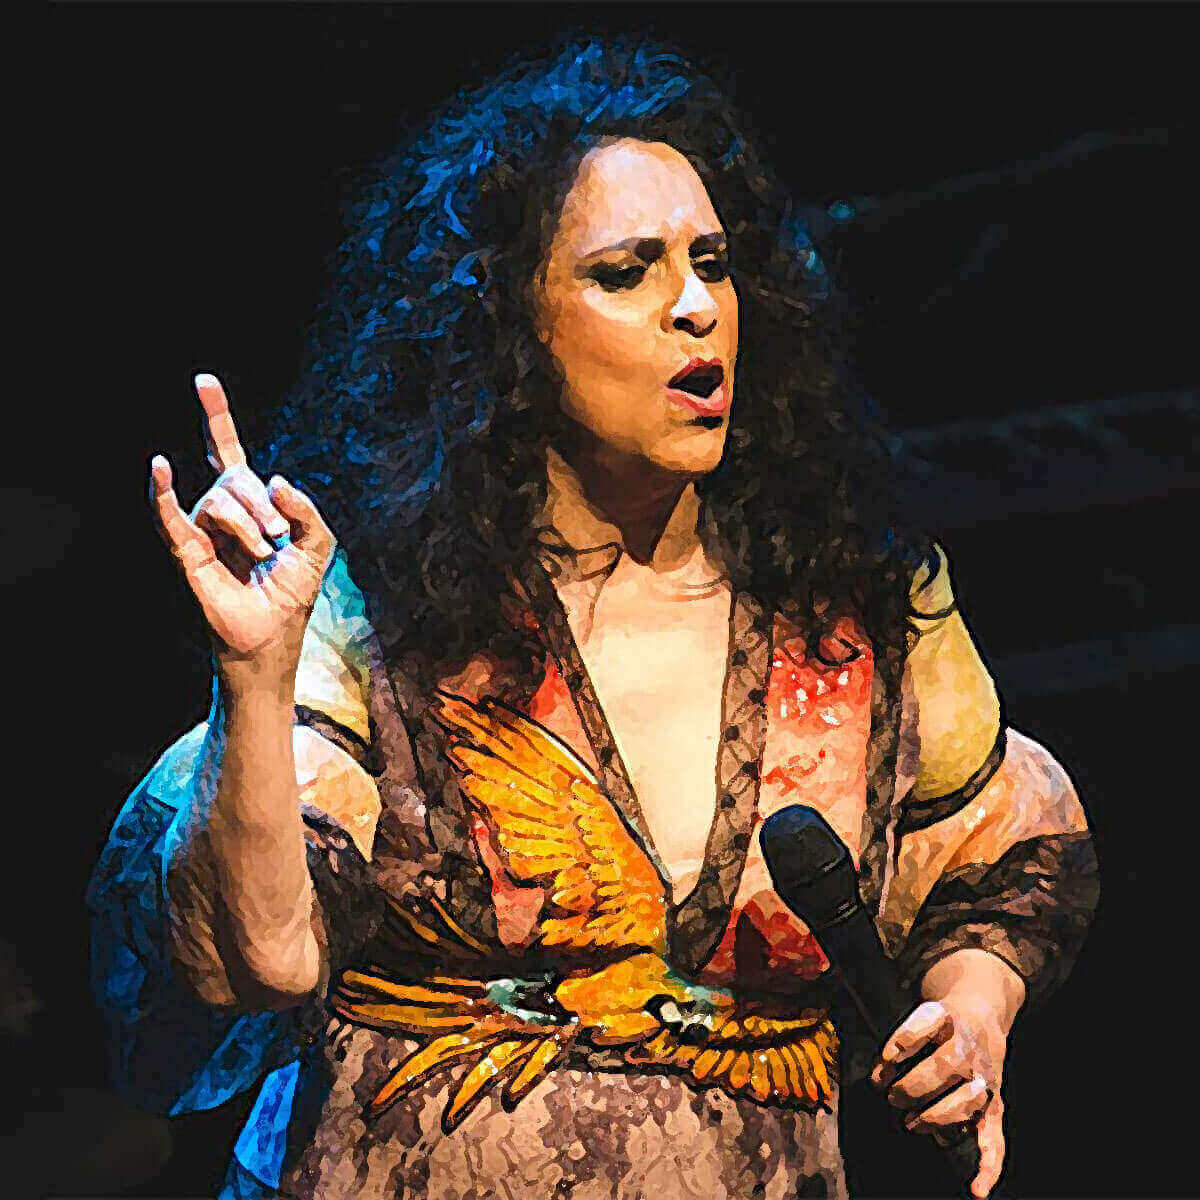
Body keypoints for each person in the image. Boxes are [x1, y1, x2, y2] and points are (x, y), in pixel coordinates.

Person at [87, 36, 1099, 1200]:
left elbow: (997, 866)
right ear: (509, 323)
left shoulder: (856, 609)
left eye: (713, 265)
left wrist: (972, 1015)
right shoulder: (383, 614)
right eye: (627, 273)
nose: (696, 308)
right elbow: (253, 960)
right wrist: (255, 680)